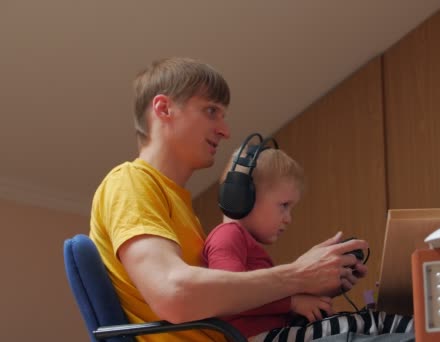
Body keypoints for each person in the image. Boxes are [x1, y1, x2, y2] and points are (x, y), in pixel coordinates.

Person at [88, 57, 368, 342]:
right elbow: (173, 293)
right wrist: (298, 275)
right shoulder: (130, 182)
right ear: (164, 108)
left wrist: (311, 286)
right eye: (211, 111)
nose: (225, 131)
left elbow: (218, 300)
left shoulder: (179, 206)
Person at [203, 145, 414, 342]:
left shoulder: (240, 240)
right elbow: (230, 296)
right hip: (261, 338)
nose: (288, 218)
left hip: (276, 334)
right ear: (243, 198)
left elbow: (261, 299)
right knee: (368, 323)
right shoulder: (227, 235)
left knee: (369, 322)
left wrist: (324, 289)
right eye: (284, 205)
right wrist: (293, 302)